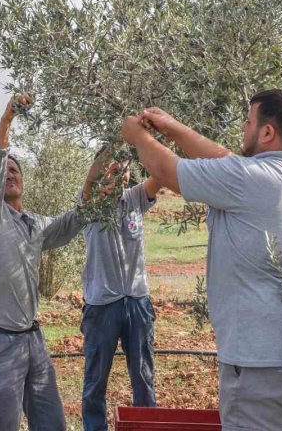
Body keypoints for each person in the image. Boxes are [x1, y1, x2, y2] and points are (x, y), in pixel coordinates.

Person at [120, 89, 282, 430]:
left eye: (249, 122)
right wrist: (173, 128)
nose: (243, 128)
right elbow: (226, 159)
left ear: (267, 133)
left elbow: (166, 169)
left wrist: (136, 135)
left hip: (261, 368)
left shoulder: (249, 179)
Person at [0, 94, 97, 431]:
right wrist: (8, 117)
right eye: (4, 170)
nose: (10, 173)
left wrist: (98, 183)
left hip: (32, 340)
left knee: (51, 422)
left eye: (15, 169)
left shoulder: (35, 226)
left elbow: (70, 223)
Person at [78, 150, 161, 431]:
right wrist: (112, 143)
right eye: (112, 169)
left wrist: (144, 140)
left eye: (124, 169)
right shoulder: (88, 203)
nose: (119, 175)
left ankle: (147, 427)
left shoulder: (136, 197)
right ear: (100, 170)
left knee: (143, 376)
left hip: (137, 302)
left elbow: (161, 174)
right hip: (102, 305)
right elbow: (91, 180)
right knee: (95, 380)